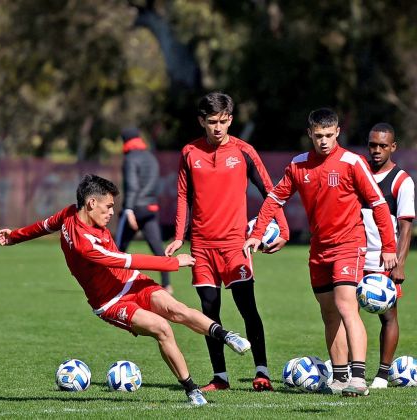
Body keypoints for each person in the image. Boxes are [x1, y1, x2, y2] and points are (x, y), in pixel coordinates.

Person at [0, 174, 251, 407]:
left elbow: (42, 226)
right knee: (162, 328)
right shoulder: (85, 244)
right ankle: (192, 390)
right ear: (91, 203)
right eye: (108, 206)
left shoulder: (69, 212)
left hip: (130, 281)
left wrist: (14, 236)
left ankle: (227, 336)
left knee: (176, 309)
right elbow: (127, 259)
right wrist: (173, 263)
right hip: (111, 302)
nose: (112, 212)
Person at [243, 108, 398, 397]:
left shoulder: (352, 163)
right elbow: (274, 199)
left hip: (349, 245)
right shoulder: (298, 165)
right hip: (319, 250)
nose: (324, 141)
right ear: (309, 134)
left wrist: (389, 247)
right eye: (318, 136)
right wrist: (255, 235)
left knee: (345, 305)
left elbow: (378, 204)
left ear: (337, 132)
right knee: (329, 314)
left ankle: (358, 377)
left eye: (329, 135)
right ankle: (339, 376)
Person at [165, 92, 289, 392]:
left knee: (248, 308)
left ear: (230, 119)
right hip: (203, 249)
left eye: (223, 121)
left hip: (236, 247)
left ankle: (261, 372)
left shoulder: (244, 151)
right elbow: (183, 196)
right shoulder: (189, 153)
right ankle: (219, 376)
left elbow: (271, 192)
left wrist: (282, 231)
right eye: (211, 122)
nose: (218, 128)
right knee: (210, 312)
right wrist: (180, 236)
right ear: (201, 121)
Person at [360, 123, 415, 389]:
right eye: (373, 145)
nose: (377, 150)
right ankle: (347, 368)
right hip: (354, 258)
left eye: (383, 145)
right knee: (346, 313)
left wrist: (400, 264)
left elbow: (406, 227)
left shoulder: (402, 180)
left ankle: (382, 373)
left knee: (389, 316)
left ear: (393, 147)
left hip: (385, 262)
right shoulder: (358, 172)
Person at [114, 127, 172, 294]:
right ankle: (167, 285)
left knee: (118, 249)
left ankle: (107, 282)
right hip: (151, 208)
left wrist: (129, 209)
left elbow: (132, 186)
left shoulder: (130, 158)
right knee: (158, 250)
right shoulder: (151, 157)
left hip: (135, 208)